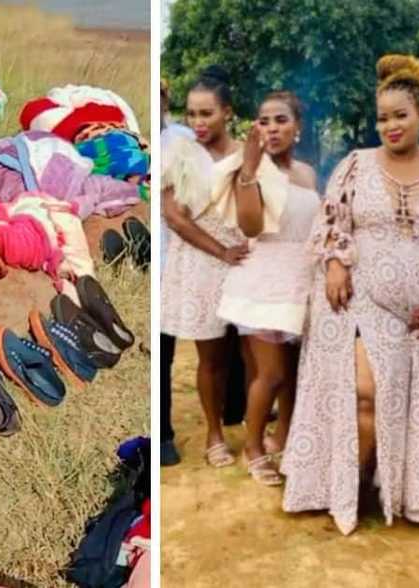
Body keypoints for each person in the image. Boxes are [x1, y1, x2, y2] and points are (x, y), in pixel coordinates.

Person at [281, 54, 419, 534]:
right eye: (382, 118)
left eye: (400, 116)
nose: (390, 126)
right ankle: (351, 482)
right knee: (365, 393)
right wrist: (337, 261)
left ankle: (394, 481)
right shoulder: (356, 165)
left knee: (399, 398)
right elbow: (331, 219)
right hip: (360, 298)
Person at [215, 90, 320, 485]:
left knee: (293, 373)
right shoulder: (251, 171)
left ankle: (287, 438)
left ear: (297, 127)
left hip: (301, 281)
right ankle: (253, 447)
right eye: (264, 121)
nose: (272, 128)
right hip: (262, 284)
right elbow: (251, 227)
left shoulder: (308, 173)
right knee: (270, 373)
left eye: (280, 120)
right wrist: (248, 172)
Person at [160, 65, 251, 468]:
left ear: (227, 112)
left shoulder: (246, 153)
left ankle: (253, 431)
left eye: (206, 114)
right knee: (210, 358)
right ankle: (214, 435)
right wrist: (221, 251)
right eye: (191, 114)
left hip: (245, 261)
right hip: (201, 262)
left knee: (250, 352)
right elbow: (175, 217)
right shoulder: (179, 153)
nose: (197, 122)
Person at [158, 78, 194, 467]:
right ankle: (165, 434)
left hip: (184, 253)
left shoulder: (183, 138)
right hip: (163, 254)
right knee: (165, 351)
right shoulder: (144, 141)